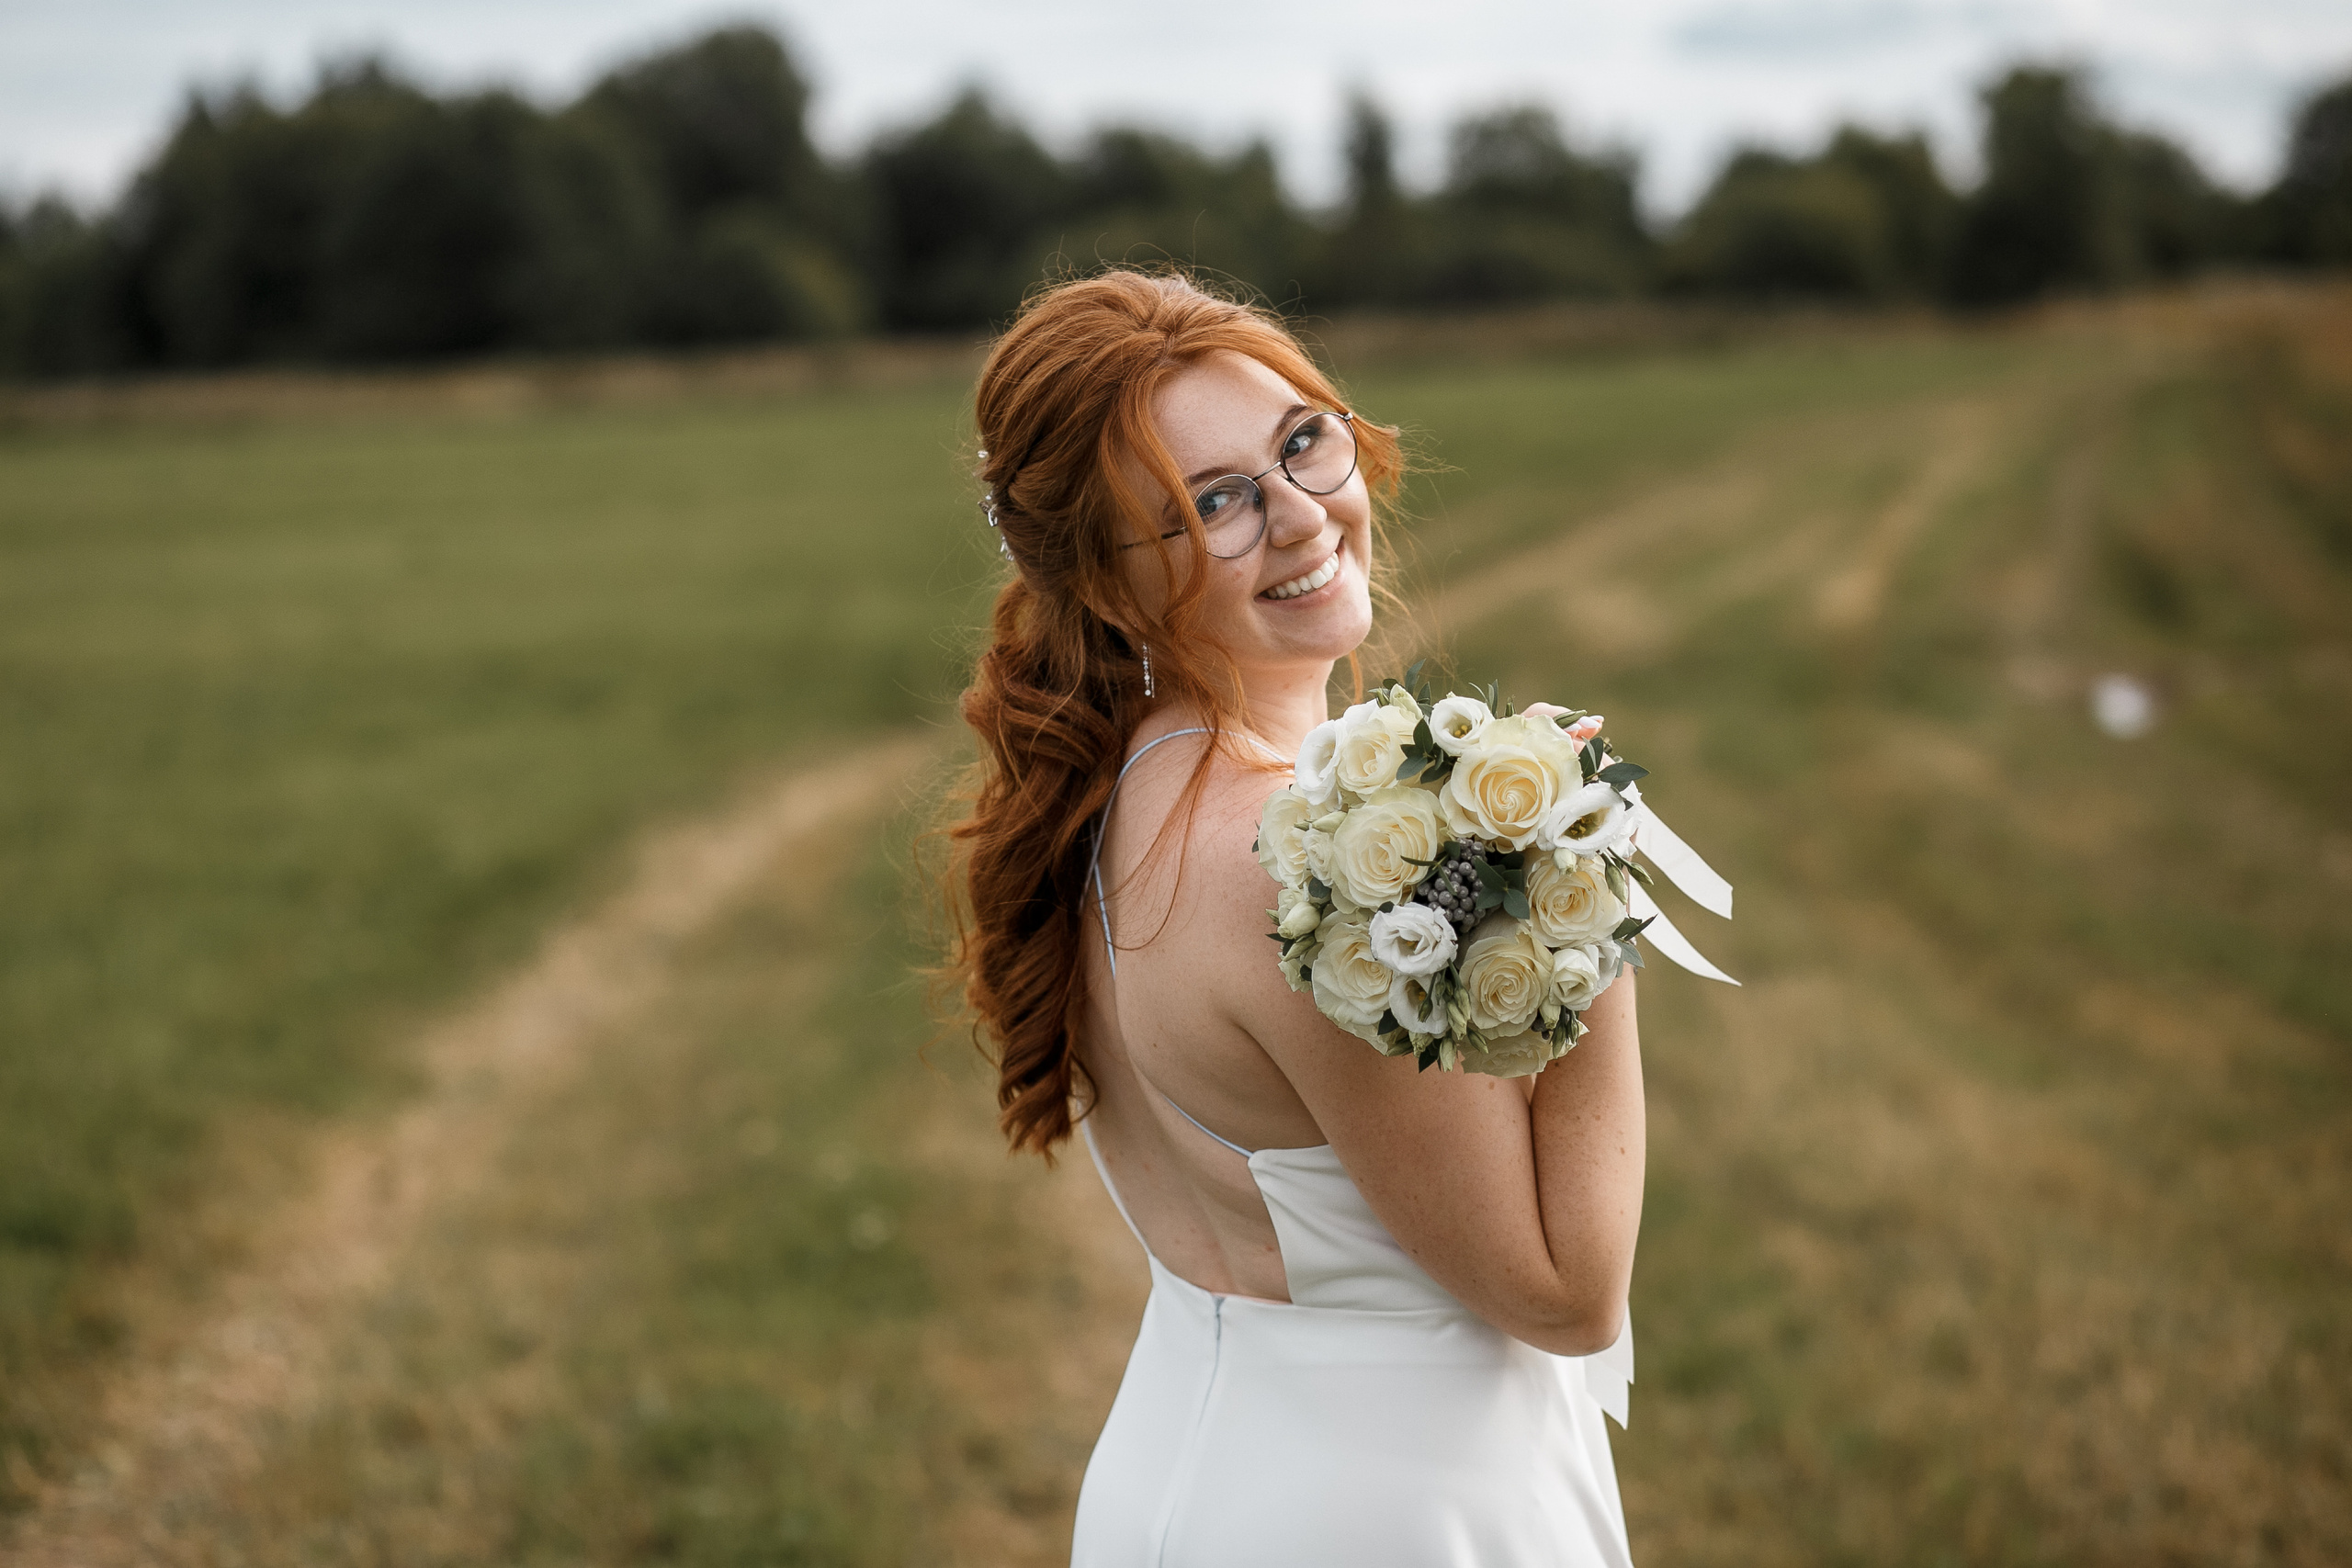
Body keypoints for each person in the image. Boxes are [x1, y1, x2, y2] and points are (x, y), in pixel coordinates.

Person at [943, 270, 1643, 1567]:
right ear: (1106, 586)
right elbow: (1565, 1291)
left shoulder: (1121, 787)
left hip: (1202, 1463)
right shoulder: (1297, 861)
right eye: (1213, 503)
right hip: (1390, 1513)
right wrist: (1578, 878)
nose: (1304, 515)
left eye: (1303, 442)